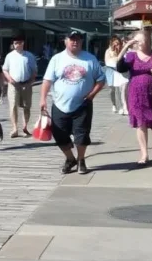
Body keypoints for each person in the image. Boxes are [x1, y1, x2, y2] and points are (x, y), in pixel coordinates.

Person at [40, 32, 106, 175]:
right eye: (71, 39)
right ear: (65, 41)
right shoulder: (57, 59)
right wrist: (42, 99)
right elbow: (47, 81)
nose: (74, 42)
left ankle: (81, 160)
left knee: (81, 135)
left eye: (77, 39)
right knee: (59, 134)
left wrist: (91, 95)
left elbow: (101, 80)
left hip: (83, 104)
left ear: (81, 42)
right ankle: (70, 159)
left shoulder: (90, 59)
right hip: (59, 104)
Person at [116, 32, 152, 166]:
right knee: (141, 124)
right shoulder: (131, 56)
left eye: (141, 41)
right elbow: (119, 67)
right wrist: (125, 48)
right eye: (136, 41)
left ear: (148, 41)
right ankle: (144, 154)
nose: (138, 43)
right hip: (136, 95)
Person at [2, 35, 37, 138]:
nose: (17, 45)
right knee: (13, 106)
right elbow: (5, 69)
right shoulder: (10, 56)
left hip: (26, 83)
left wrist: (30, 82)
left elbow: (34, 71)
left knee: (27, 106)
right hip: (13, 84)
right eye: (15, 43)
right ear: (13, 44)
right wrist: (9, 79)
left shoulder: (29, 56)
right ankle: (14, 128)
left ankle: (25, 127)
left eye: (19, 42)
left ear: (23, 43)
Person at [104, 36, 127, 115]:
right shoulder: (108, 51)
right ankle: (114, 104)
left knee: (120, 89)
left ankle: (122, 107)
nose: (118, 45)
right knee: (112, 90)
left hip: (120, 73)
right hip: (111, 72)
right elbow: (108, 62)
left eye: (119, 43)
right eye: (116, 44)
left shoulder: (123, 51)